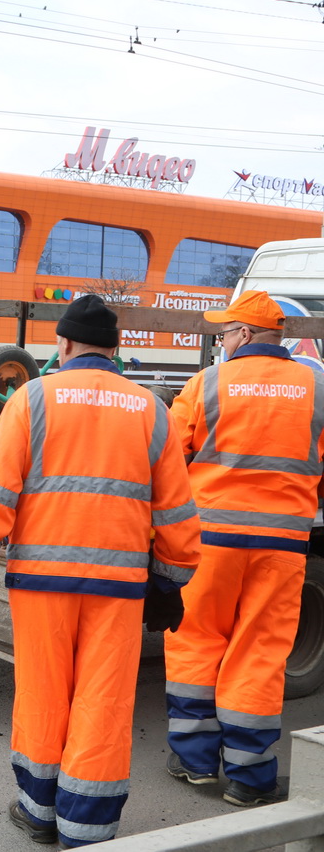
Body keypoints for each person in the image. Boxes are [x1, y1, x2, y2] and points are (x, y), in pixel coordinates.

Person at [0, 294, 201, 848]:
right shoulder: (150, 409)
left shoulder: (29, 399)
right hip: (118, 587)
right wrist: (169, 581)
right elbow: (177, 510)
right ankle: (87, 828)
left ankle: (38, 811)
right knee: (103, 701)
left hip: (41, 581)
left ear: (63, 345)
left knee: (43, 694)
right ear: (115, 350)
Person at [163, 289, 324, 807]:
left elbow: (167, 457)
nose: (221, 341)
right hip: (281, 543)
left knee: (196, 639)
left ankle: (194, 763)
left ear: (246, 334)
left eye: (225, 332)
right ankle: (249, 781)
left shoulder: (206, 383)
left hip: (209, 540)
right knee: (260, 651)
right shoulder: (318, 387)